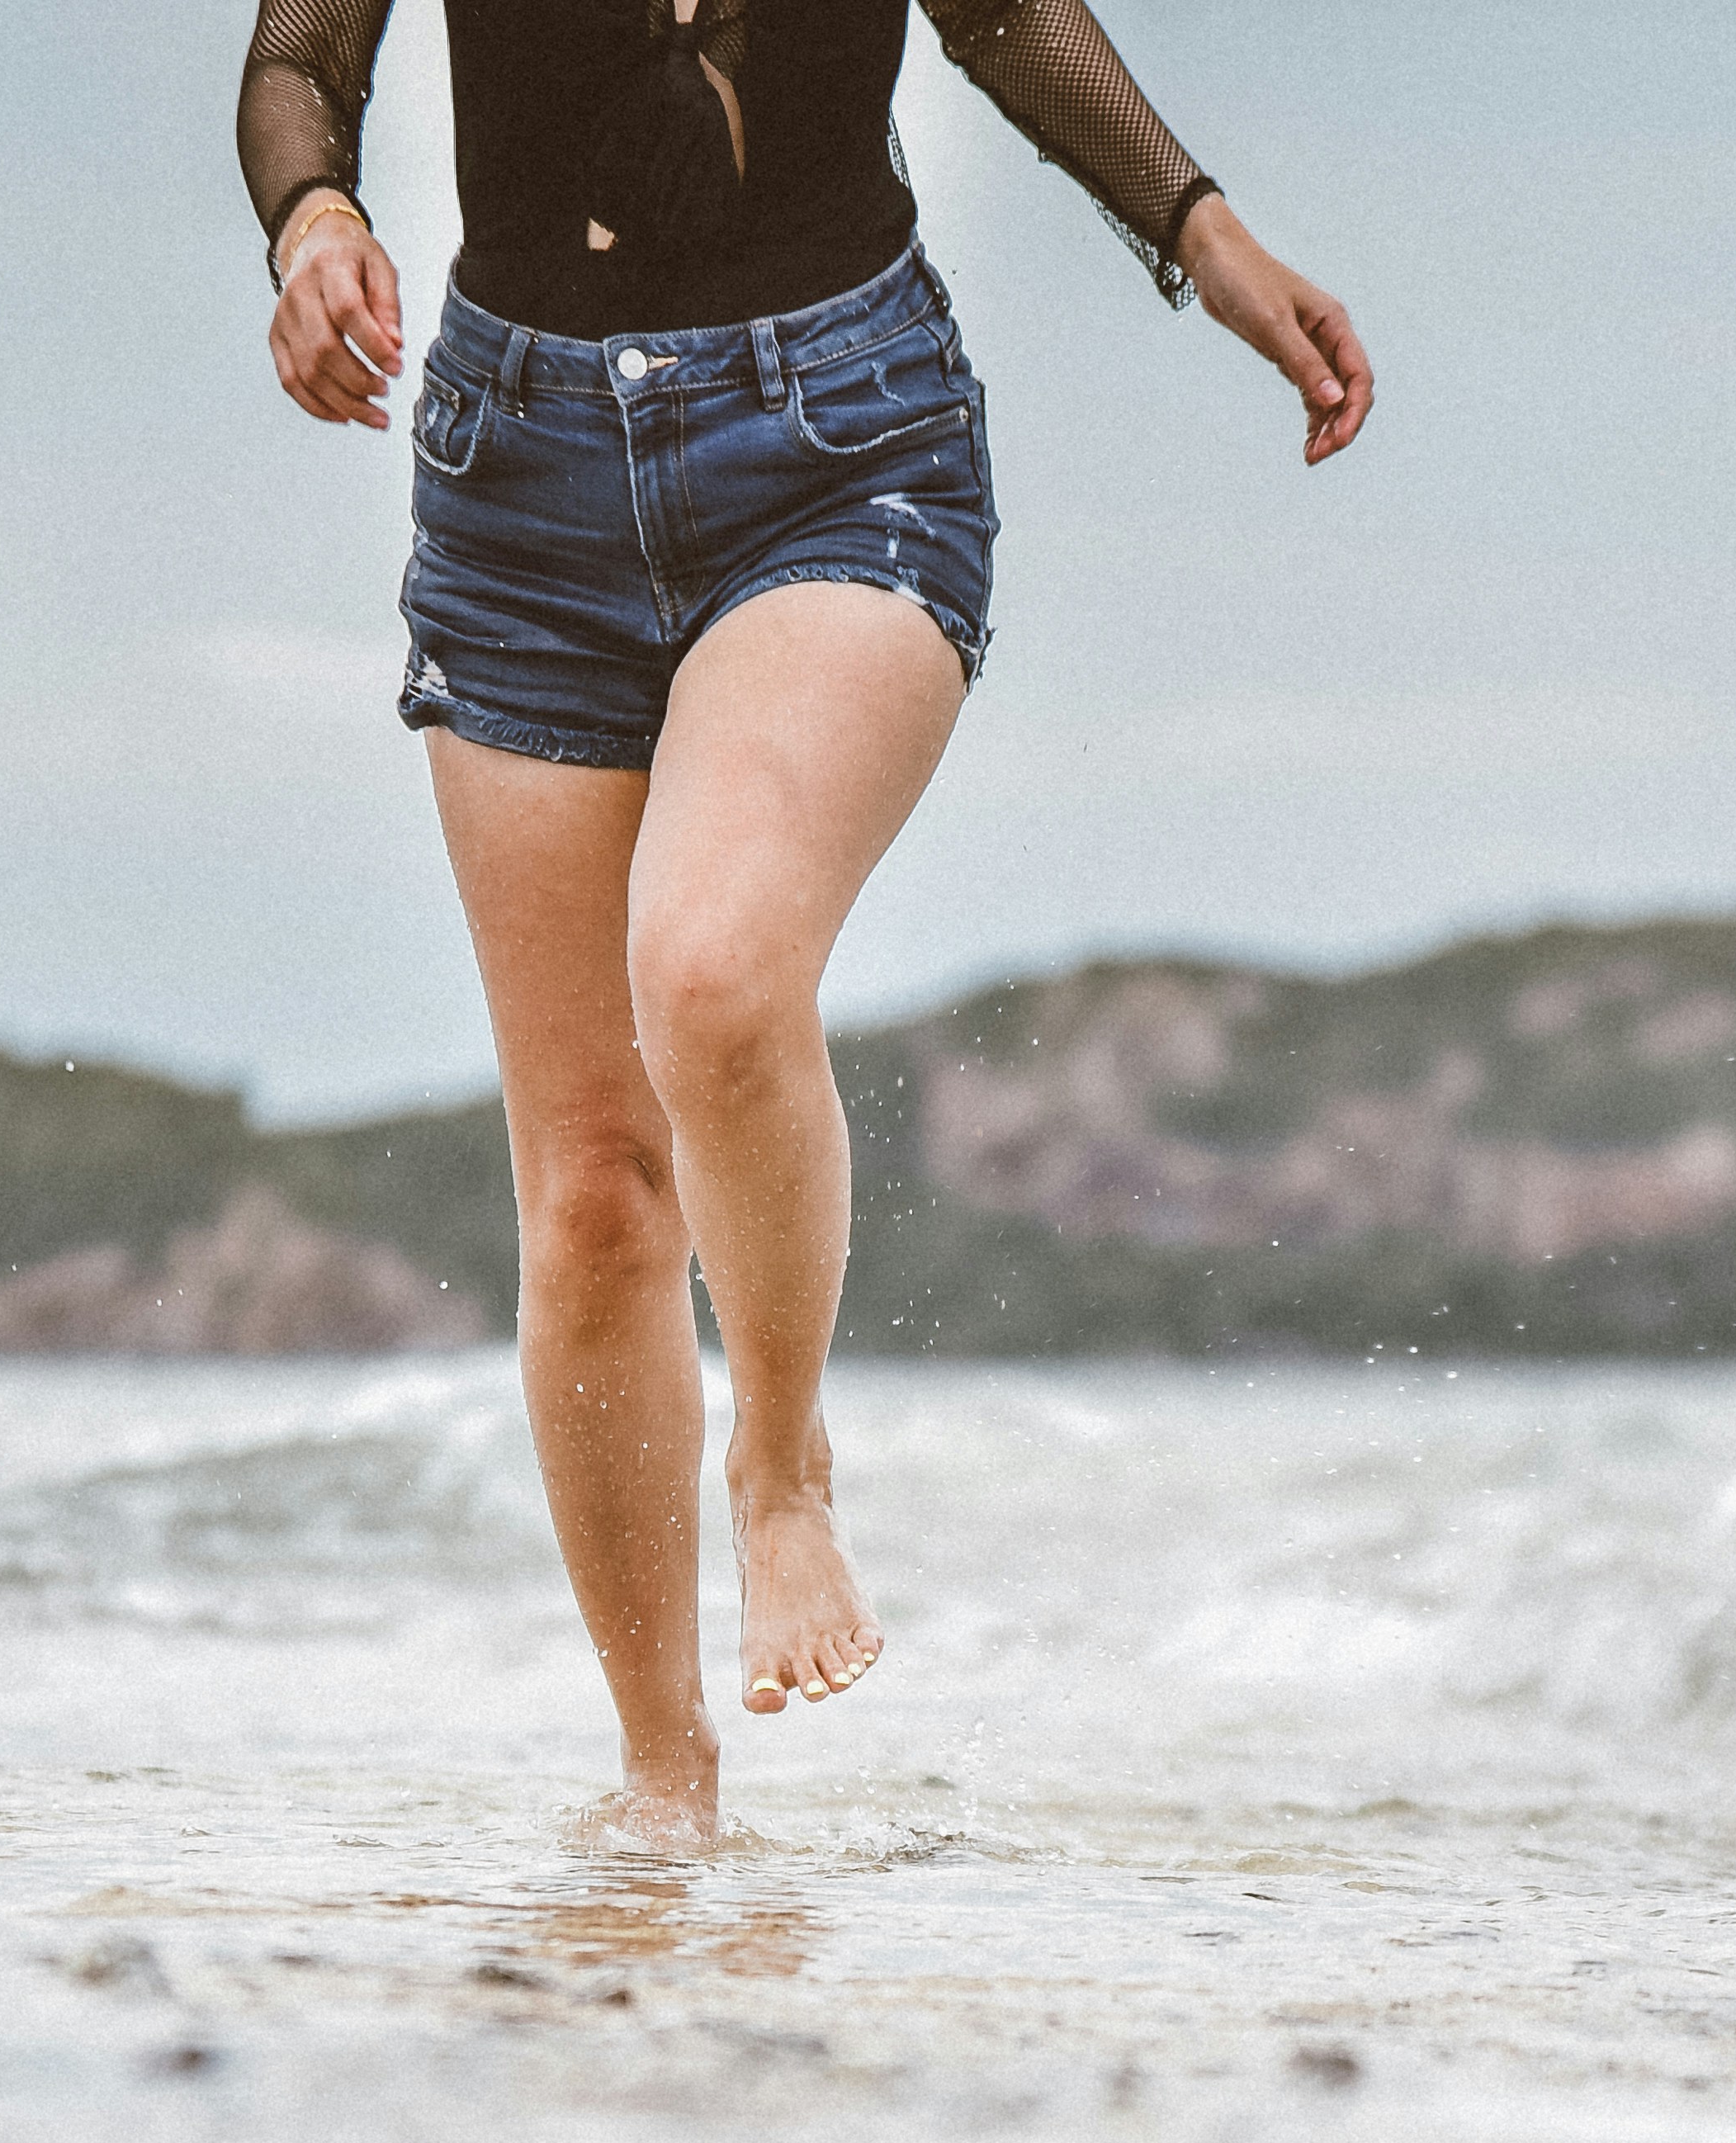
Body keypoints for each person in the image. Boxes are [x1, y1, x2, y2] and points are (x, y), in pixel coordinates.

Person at [243, 0, 1371, 1845]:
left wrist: (1203, 238)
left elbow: (998, 12)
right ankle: (663, 1785)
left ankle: (779, 1464)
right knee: (595, 1188)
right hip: (516, 484)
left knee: (708, 967)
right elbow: (303, 59)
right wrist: (310, 225)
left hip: (838, 439)